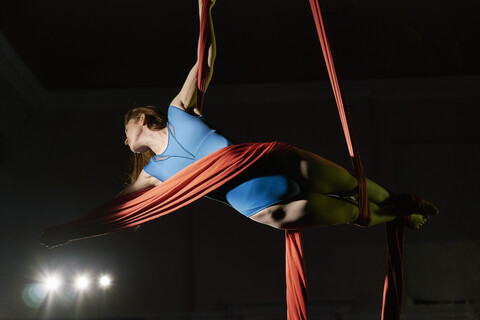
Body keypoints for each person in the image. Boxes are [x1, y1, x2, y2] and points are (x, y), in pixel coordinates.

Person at [118, 3, 437, 232]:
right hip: (265, 206)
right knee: (354, 211)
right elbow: (118, 208)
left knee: (355, 187)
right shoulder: (153, 173)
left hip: (276, 161)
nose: (124, 138)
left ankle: (403, 202)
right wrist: (70, 231)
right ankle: (400, 217)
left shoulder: (180, 111)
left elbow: (206, 60)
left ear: (142, 119)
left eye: (125, 129)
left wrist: (206, 10)